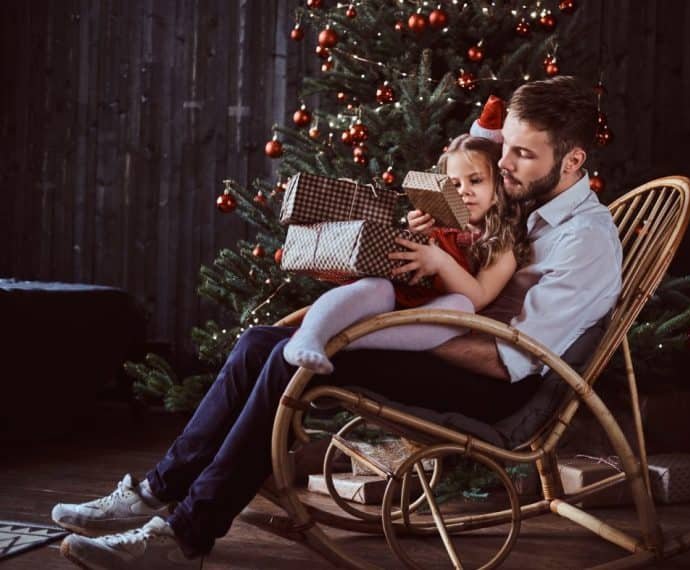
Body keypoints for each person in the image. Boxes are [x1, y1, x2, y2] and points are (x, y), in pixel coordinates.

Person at [52, 75, 622, 569]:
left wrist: (381, 328)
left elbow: (511, 361)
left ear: (573, 161)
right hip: (450, 338)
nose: (504, 164)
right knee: (258, 342)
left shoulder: (584, 241)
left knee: (291, 362)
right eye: (507, 149)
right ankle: (153, 492)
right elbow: (476, 161)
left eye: (522, 154)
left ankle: (184, 536)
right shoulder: (528, 196)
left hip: (493, 384)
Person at [283, 131, 529, 375]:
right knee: (376, 286)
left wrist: (441, 262)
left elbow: (478, 298)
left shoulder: (500, 245)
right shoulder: (440, 223)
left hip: (425, 317)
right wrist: (415, 233)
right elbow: (401, 258)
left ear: (498, 188)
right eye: (454, 184)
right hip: (397, 297)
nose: (464, 191)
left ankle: (350, 342)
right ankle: (308, 337)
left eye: (475, 181)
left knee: (461, 307)